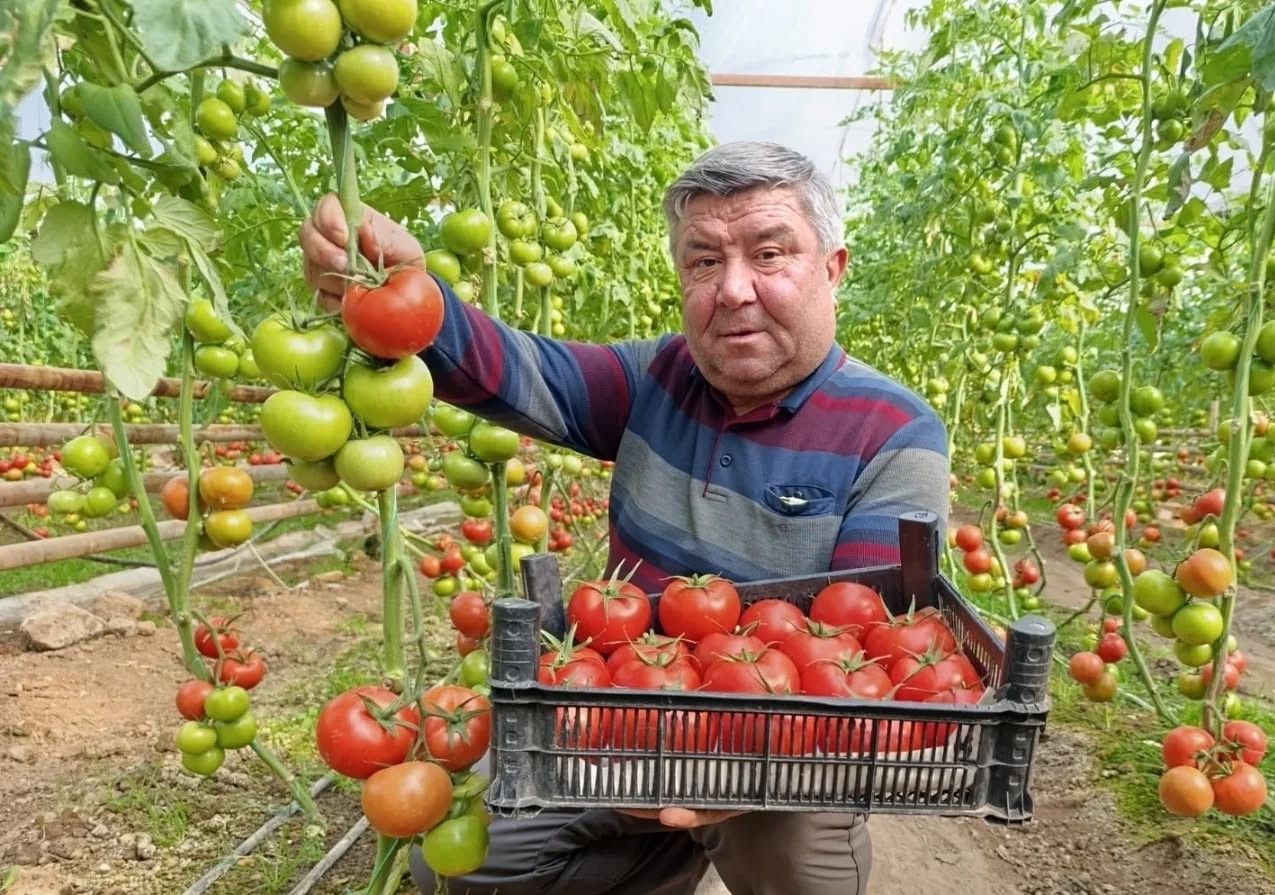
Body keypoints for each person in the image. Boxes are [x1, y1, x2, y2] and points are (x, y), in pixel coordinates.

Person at [300, 141, 950, 895]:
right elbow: (524, 372)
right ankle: (662, 858)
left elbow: (863, 643)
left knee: (800, 872)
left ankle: (718, 838)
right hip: (623, 709)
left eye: (769, 253)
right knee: (474, 862)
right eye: (704, 262)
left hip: (782, 737)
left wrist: (730, 776)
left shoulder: (896, 431)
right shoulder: (656, 378)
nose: (734, 288)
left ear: (832, 269)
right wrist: (416, 297)